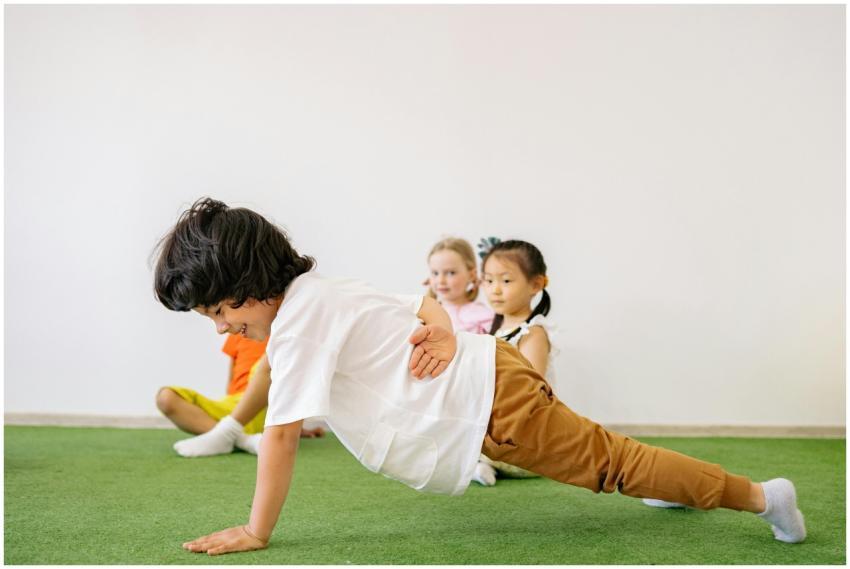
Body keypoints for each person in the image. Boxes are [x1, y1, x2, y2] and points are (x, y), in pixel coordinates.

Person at [153, 198, 806, 556]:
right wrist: (441, 324)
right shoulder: (318, 290)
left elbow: (284, 435)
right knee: (608, 454)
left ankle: (762, 495)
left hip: (496, 407)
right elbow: (417, 301)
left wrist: (257, 529)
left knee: (613, 464)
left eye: (219, 311)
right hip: (493, 387)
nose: (219, 328)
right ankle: (677, 486)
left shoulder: (295, 325)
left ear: (249, 286)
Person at [156, 328, 324, 458]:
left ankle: (228, 435)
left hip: (268, 405)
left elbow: (296, 382)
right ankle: (244, 441)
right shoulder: (236, 331)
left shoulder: (285, 331)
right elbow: (232, 376)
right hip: (236, 406)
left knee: (267, 363)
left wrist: (295, 424)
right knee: (166, 397)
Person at [425, 237, 494, 334]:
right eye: (435, 273)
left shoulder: (484, 316)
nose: (441, 281)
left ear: (471, 275)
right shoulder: (423, 315)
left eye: (451, 273)